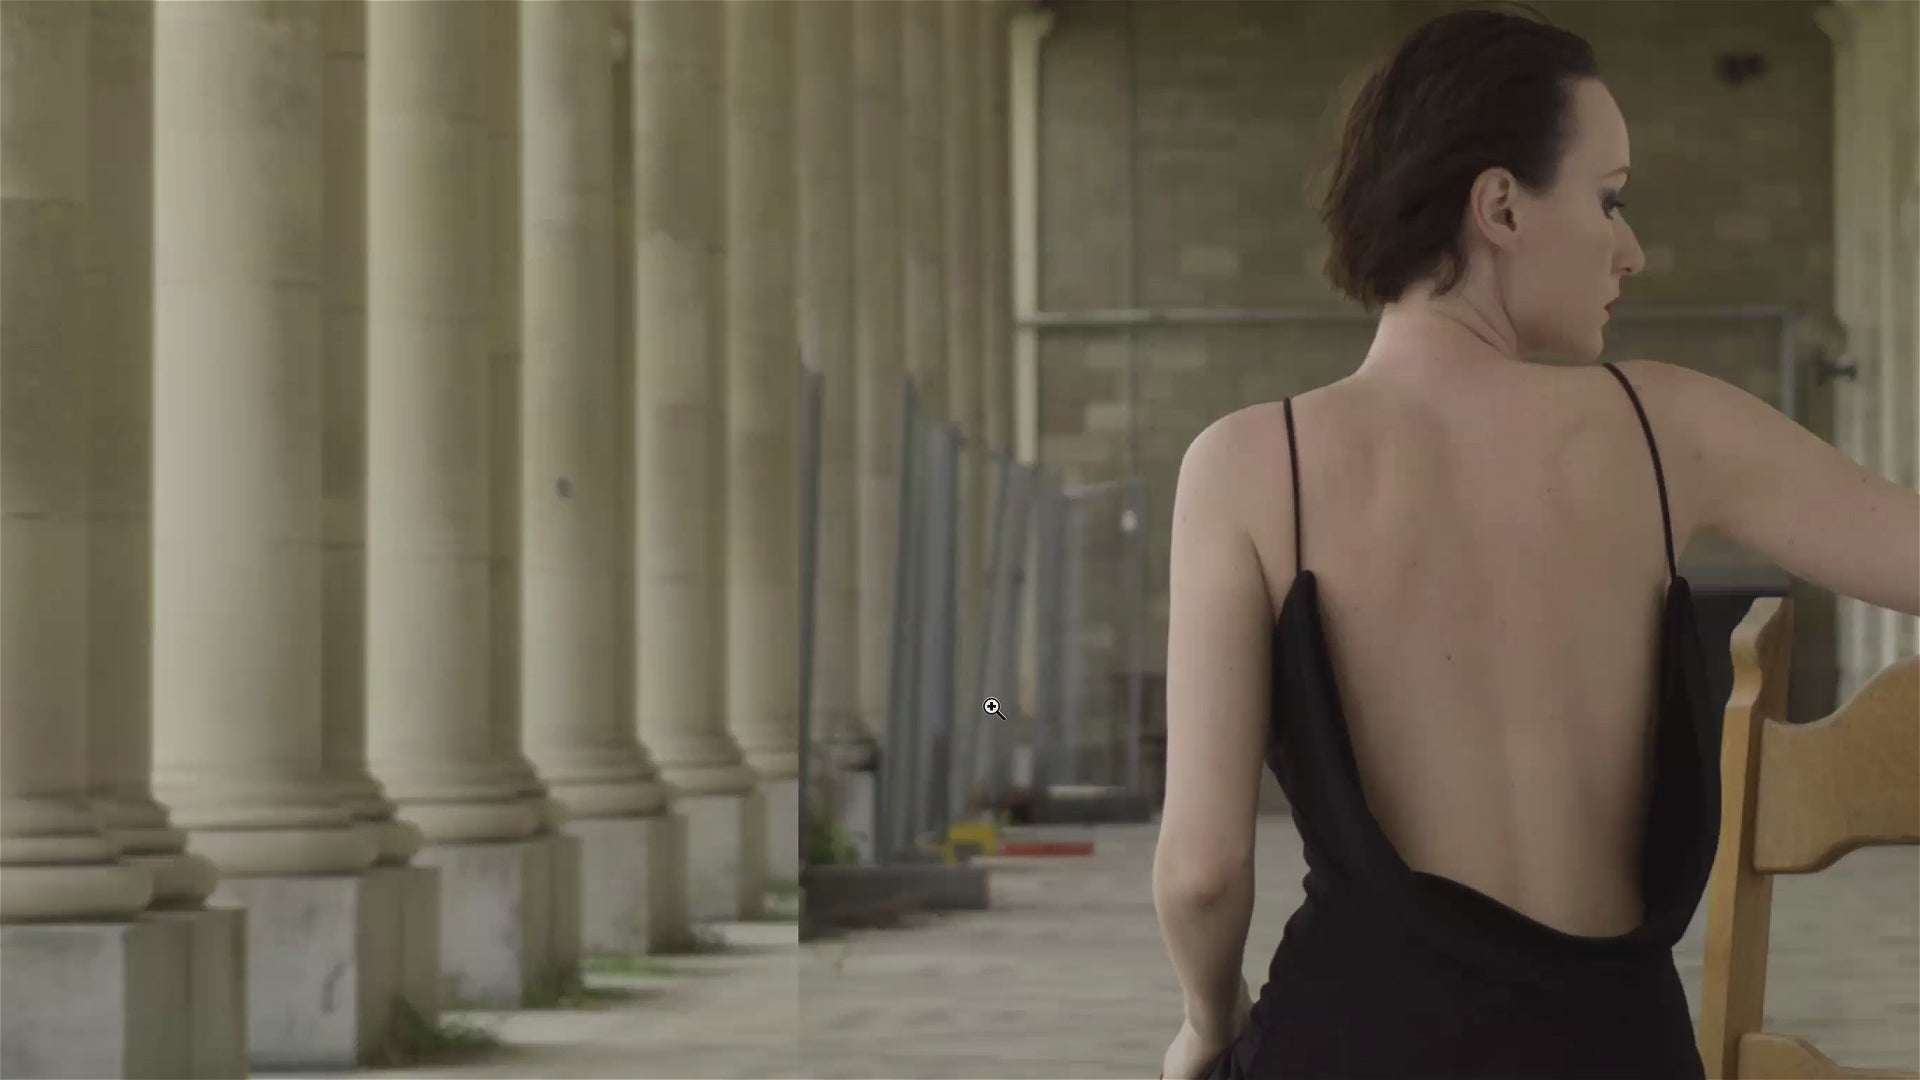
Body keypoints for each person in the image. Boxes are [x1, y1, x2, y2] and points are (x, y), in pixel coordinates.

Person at [1152, 4, 1920, 1078]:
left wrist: (1207, 1025)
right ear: (1501, 206)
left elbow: (1199, 872)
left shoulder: (1244, 464)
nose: (1631, 251)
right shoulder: (1668, 427)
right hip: (1614, 1050)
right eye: (1610, 200)